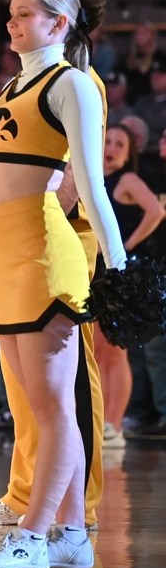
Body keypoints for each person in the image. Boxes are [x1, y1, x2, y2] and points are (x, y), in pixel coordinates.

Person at [0, 0, 125, 568]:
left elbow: (91, 189)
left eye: (26, 14)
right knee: (32, 406)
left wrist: (118, 268)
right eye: (11, 13)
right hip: (5, 250)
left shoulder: (73, 84)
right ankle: (71, 535)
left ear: (60, 24)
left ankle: (33, 536)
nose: (13, 23)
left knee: (54, 406)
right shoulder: (13, 84)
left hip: (44, 250)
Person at [94, 124, 163, 443]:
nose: (111, 147)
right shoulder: (92, 177)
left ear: (128, 153)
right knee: (95, 351)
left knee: (114, 352)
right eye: (107, 140)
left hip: (117, 272)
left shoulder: (128, 179)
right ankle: (101, 421)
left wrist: (128, 245)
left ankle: (115, 424)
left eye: (119, 144)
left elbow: (156, 211)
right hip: (91, 269)